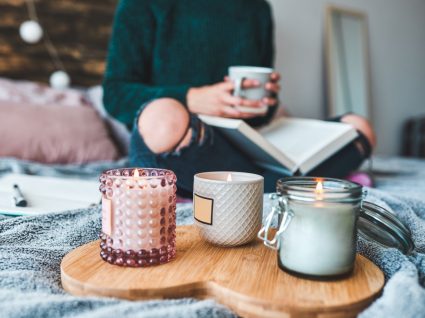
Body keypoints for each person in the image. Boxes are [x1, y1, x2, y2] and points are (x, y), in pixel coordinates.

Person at [103, 0, 376, 197]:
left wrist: (264, 103)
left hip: (241, 144)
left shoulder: (256, 9)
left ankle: (261, 184)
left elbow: (261, 113)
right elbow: (115, 94)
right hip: (187, 143)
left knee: (358, 127)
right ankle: (287, 185)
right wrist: (192, 98)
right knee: (163, 116)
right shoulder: (140, 5)